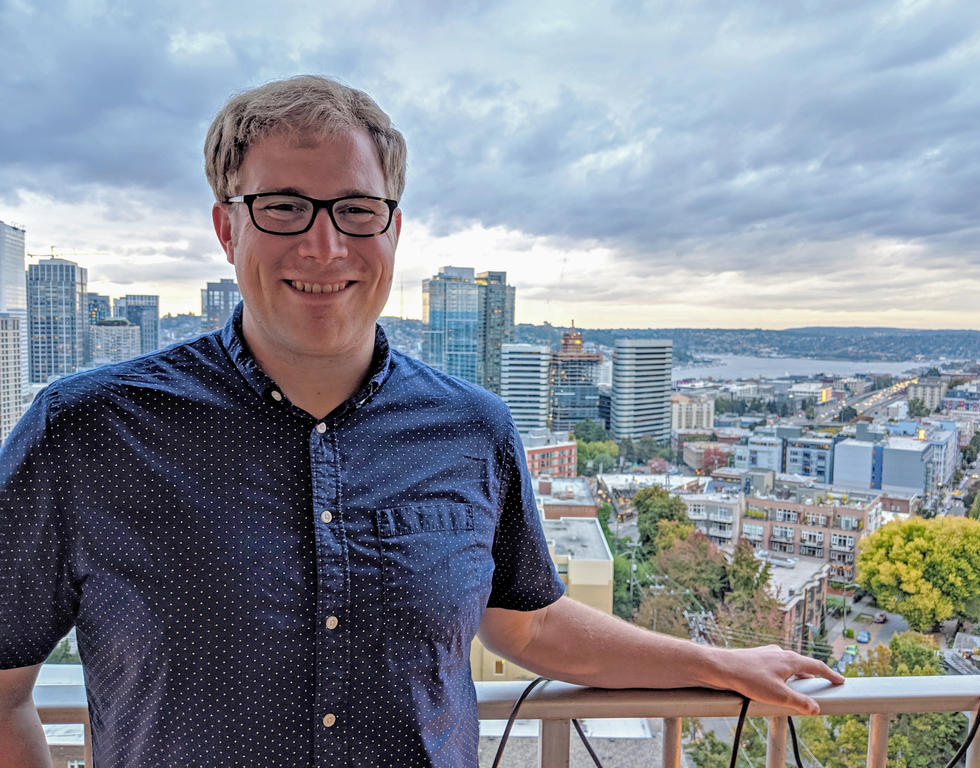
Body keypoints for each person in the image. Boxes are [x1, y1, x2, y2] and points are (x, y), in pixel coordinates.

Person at [0, 75, 842, 767]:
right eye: (284, 208)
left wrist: (716, 663)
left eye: (355, 211)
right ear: (227, 229)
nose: (324, 248)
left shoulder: (472, 431)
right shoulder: (88, 431)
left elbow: (531, 620)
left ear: (393, 229)